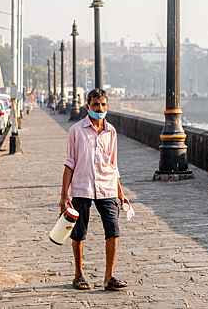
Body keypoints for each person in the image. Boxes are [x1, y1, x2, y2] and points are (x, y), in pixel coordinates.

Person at [59, 88, 130, 291]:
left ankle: (109, 277)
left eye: (103, 104)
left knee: (113, 231)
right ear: (87, 106)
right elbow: (69, 163)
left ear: (107, 106)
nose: (100, 108)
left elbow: (113, 164)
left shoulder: (111, 132)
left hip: (107, 187)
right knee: (78, 232)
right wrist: (64, 194)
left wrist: (120, 191)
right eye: (96, 104)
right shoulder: (76, 130)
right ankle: (79, 274)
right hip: (82, 187)